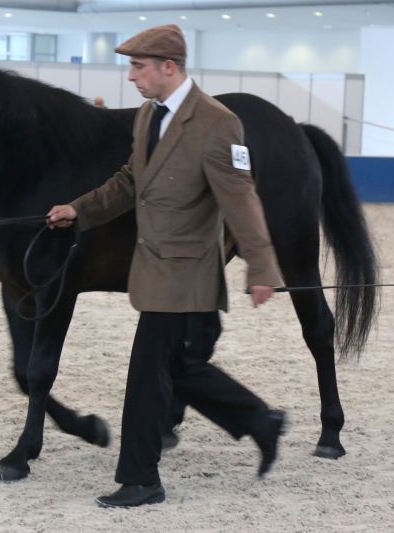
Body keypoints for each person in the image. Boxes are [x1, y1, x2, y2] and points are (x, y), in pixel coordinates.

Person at [47, 24, 287, 508]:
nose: (132, 76)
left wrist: (261, 267)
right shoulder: (147, 116)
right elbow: (130, 181)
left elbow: (241, 200)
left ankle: (140, 480)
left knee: (147, 374)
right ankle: (259, 420)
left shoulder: (218, 124)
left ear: (168, 67)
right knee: (180, 367)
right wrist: (80, 209)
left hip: (187, 270)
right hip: (152, 266)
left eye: (138, 67)